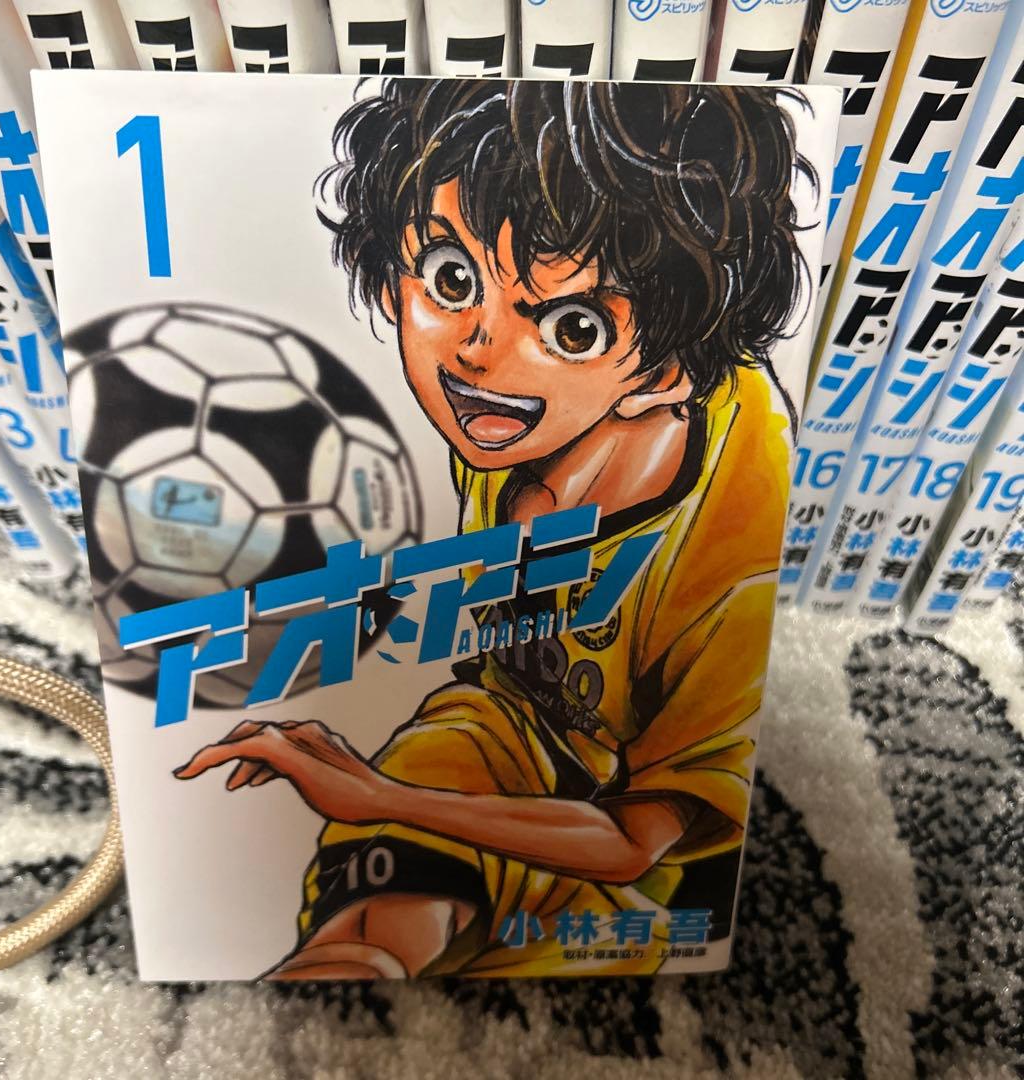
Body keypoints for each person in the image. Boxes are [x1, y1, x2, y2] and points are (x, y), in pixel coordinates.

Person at [174, 78, 811, 978]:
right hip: (500, 724)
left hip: (650, 866)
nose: (478, 349)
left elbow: (636, 841)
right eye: (450, 278)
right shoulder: (510, 423)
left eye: (572, 327)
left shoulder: (731, 555)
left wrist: (377, 796)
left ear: (664, 374)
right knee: (370, 923)